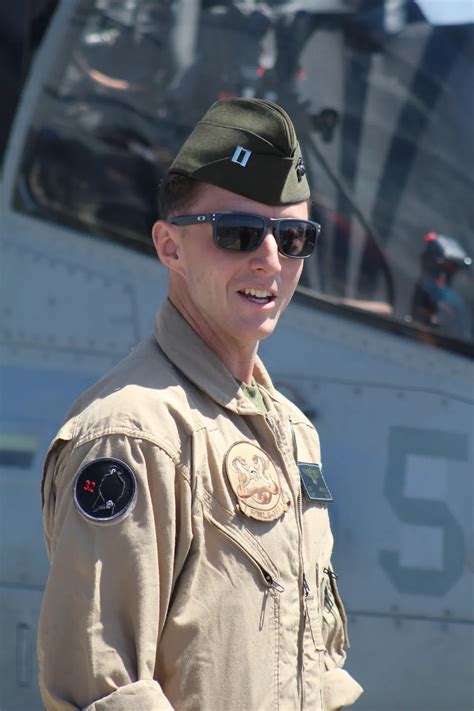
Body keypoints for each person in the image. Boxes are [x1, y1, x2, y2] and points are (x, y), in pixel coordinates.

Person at [38, 98, 363, 710]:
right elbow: (104, 691)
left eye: (293, 237)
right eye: (237, 233)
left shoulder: (290, 431)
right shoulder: (135, 435)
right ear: (170, 247)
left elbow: (314, 663)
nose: (270, 259)